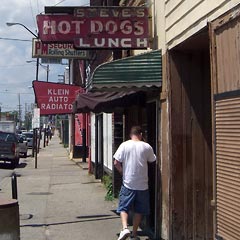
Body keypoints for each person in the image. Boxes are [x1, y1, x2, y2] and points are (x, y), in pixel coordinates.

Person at [114, 126, 156, 240]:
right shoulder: (146, 146)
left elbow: (116, 162)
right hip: (143, 184)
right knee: (139, 210)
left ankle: (125, 228)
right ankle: (134, 234)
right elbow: (152, 160)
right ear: (141, 134)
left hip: (128, 183)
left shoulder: (124, 145)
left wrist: (123, 173)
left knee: (123, 207)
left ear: (130, 134)